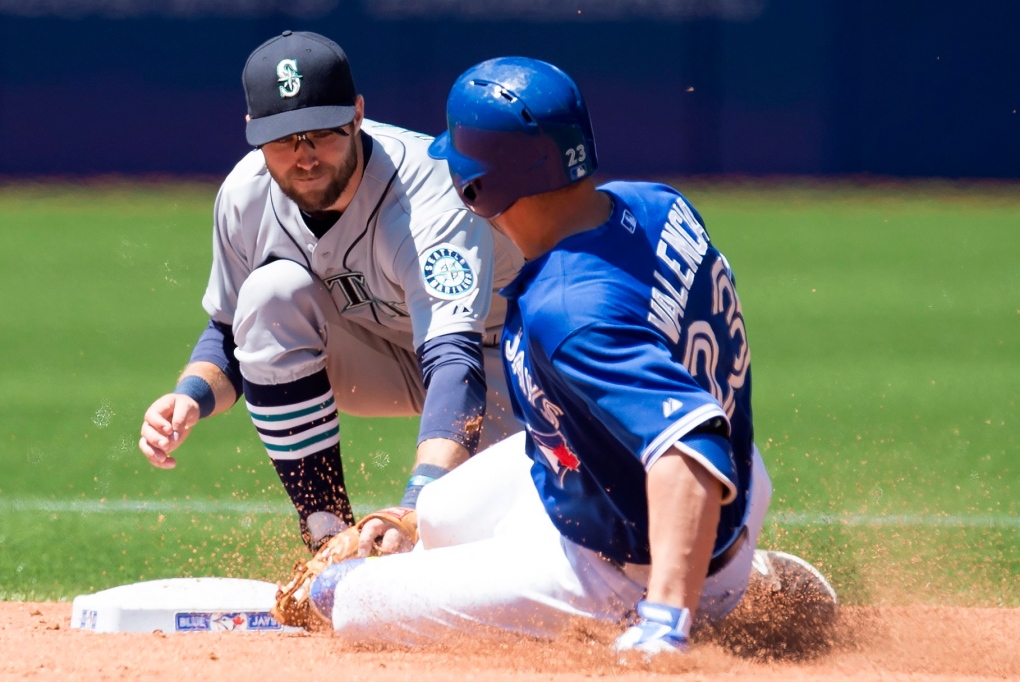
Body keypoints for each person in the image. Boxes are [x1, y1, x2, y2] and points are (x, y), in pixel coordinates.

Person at [307, 56, 837, 656]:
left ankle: (714, 597)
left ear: (476, 188)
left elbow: (689, 450)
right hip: (702, 479)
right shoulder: (654, 203)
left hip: (633, 563)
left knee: (345, 597)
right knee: (437, 514)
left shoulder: (568, 310)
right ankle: (727, 575)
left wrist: (664, 621)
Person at [138, 32, 524, 555]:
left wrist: (417, 503)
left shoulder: (431, 195)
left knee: (476, 547)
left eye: (322, 132)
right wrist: (190, 396)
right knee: (271, 293)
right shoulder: (244, 194)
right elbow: (232, 333)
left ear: (358, 113)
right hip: (383, 351)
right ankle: (326, 541)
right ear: (251, 130)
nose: (305, 156)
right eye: (283, 138)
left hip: (506, 366)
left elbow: (455, 365)